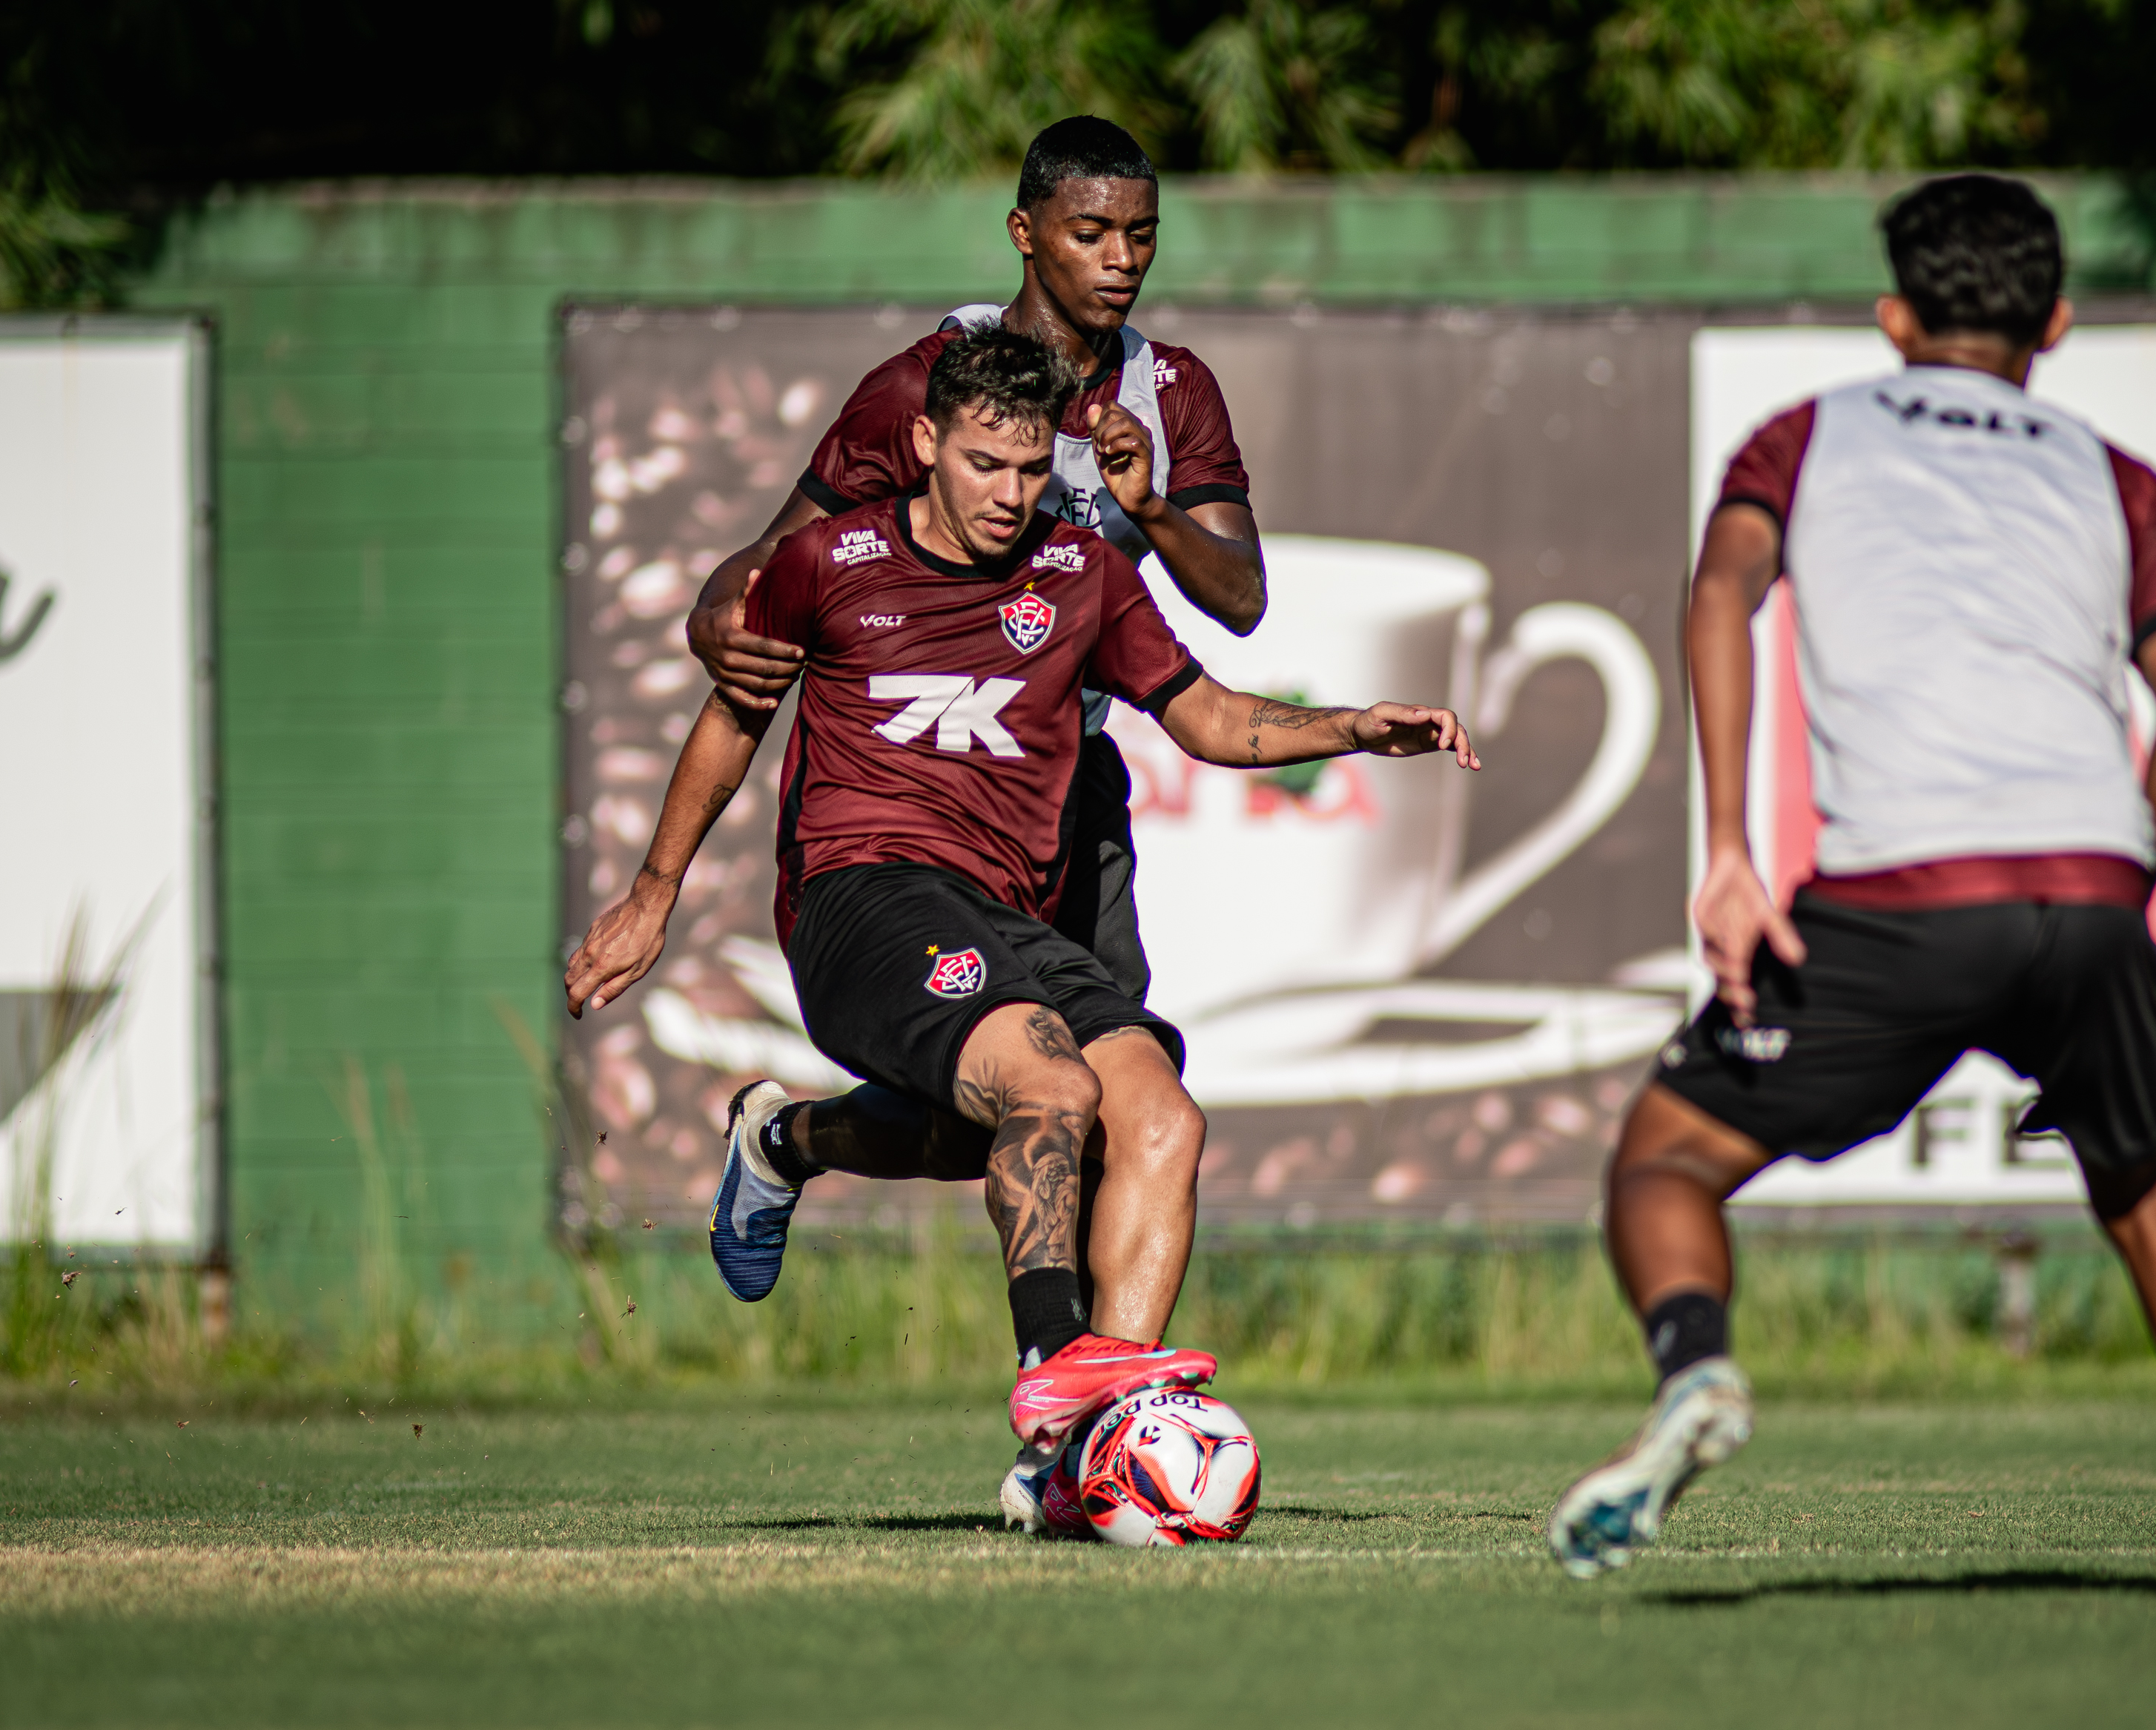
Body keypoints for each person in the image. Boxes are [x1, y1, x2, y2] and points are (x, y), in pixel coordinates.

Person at [1546, 174, 2156, 1608]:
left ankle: (1698, 1370)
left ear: (1893, 315)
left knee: (1666, 1157)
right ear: (2055, 320)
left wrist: (1729, 851)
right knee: (2150, 1191)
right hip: (2093, 889)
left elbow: (1723, 593)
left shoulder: (1805, 439)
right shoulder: (2122, 476)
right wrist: (2117, 883)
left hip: (1900, 891)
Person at [565, 326, 1478, 1528]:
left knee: (1156, 1115)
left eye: (1033, 467)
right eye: (986, 464)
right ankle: (1060, 1373)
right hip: (857, 897)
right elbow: (733, 717)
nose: (1011, 493)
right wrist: (654, 890)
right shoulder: (827, 562)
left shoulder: (1084, 574)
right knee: (1048, 1083)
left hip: (1007, 914)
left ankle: (812, 1171)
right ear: (927, 444)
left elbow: (1207, 715)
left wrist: (1357, 727)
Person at [672, 115, 1265, 1528]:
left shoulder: (1170, 393)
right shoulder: (921, 386)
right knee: (1039, 1099)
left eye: (1141, 236)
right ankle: (1070, 1405)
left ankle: (797, 1146)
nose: (1119, 262)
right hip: (914, 814)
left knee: (1075, 1119)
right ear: (1025, 234)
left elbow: (1237, 596)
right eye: (1089, 234)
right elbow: (774, 555)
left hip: (1069, 803)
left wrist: (1153, 507)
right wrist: (717, 613)